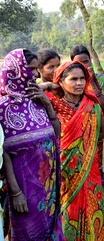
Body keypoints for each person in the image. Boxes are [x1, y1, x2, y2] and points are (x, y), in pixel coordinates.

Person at [0, 49, 63, 240]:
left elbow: (56, 134)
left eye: (36, 69)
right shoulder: (2, 107)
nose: (36, 74)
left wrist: (48, 105)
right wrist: (16, 192)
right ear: (16, 70)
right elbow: (4, 153)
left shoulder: (37, 100)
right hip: (24, 189)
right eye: (31, 69)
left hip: (48, 186)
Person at [46, 61, 104, 240]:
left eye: (82, 79)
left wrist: (85, 149)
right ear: (61, 81)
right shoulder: (52, 105)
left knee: (92, 209)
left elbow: (103, 132)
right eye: (73, 79)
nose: (79, 83)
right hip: (63, 171)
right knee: (67, 212)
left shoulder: (92, 106)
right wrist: (49, 85)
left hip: (89, 170)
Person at [70, 44, 104, 115]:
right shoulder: (70, 82)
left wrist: (92, 81)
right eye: (79, 63)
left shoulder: (102, 80)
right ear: (72, 63)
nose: (84, 66)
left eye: (86, 62)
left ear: (90, 60)